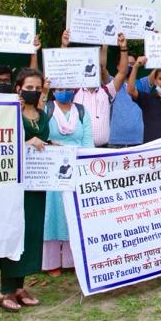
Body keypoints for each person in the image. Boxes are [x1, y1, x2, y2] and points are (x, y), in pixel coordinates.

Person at [0, 68, 48, 312]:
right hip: (13, 185)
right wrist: (26, 143)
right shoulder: (9, 113)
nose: (33, 92)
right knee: (12, 232)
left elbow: (43, 140)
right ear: (18, 88)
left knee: (31, 234)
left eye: (37, 88)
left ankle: (19, 286)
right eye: (29, 88)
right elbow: (0, 144)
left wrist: (49, 146)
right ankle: (5, 289)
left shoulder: (42, 114)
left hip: (37, 184)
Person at [42, 84, 94, 275]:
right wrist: (49, 144)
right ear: (53, 89)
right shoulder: (47, 110)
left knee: (73, 213)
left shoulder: (81, 111)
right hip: (52, 169)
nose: (64, 90)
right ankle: (51, 262)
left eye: (68, 87)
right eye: (60, 87)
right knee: (53, 214)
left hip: (77, 167)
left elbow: (88, 141)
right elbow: (39, 134)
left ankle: (73, 260)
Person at [65, 30, 130, 147]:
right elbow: (62, 72)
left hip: (103, 150)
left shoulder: (106, 91)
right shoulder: (74, 91)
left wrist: (124, 48)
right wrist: (64, 46)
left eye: (96, 68)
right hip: (79, 149)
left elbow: (123, 72)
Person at [108, 52, 146, 149]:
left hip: (137, 141)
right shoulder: (111, 83)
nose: (129, 66)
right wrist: (104, 42)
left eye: (133, 64)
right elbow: (102, 69)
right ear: (117, 66)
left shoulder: (142, 84)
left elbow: (158, 71)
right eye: (126, 63)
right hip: (115, 141)